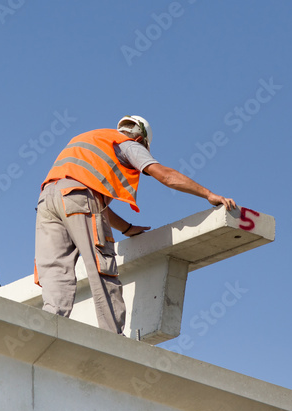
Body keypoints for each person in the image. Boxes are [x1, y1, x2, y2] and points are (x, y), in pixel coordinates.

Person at [34, 115, 238, 334]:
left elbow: (88, 201)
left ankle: (47, 330)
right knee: (100, 267)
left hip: (46, 201)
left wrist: (127, 228)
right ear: (140, 139)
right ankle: (112, 338)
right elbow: (166, 176)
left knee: (55, 273)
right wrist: (208, 194)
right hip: (78, 197)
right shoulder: (127, 144)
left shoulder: (92, 138)